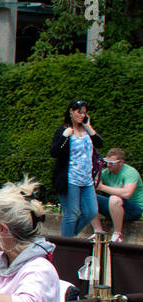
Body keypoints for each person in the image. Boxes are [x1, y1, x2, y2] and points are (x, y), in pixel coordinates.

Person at [50, 99, 104, 238]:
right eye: (79, 112)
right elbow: (54, 152)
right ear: (71, 112)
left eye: (84, 113)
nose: (82, 115)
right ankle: (67, 243)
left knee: (91, 212)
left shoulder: (86, 130)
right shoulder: (64, 130)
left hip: (86, 179)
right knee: (71, 214)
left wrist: (89, 127)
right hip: (70, 178)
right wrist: (64, 136)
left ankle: (68, 238)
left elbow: (99, 143)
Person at [96, 148, 140, 243]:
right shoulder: (105, 173)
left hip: (134, 210)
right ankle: (98, 231)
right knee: (88, 197)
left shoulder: (130, 172)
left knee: (114, 199)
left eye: (111, 163)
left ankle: (117, 234)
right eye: (106, 162)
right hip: (116, 209)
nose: (108, 165)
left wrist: (101, 187)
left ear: (121, 162)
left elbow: (127, 194)